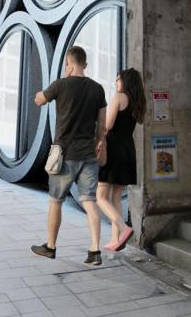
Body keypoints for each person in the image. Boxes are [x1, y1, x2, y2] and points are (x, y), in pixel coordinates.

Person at [31, 46, 107, 266]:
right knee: (90, 201)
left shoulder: (61, 85)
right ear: (85, 64)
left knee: (56, 201)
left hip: (64, 155)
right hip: (88, 155)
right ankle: (95, 252)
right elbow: (102, 125)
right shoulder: (97, 89)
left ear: (70, 64)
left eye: (67, 65)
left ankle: (50, 247)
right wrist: (98, 142)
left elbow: (39, 100)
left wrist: (51, 88)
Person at [96, 68, 146, 251]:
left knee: (100, 197)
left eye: (118, 79)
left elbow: (108, 125)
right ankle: (115, 240)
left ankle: (124, 229)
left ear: (125, 81)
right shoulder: (137, 102)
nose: (116, 82)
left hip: (114, 149)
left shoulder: (118, 97)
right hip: (128, 150)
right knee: (115, 197)